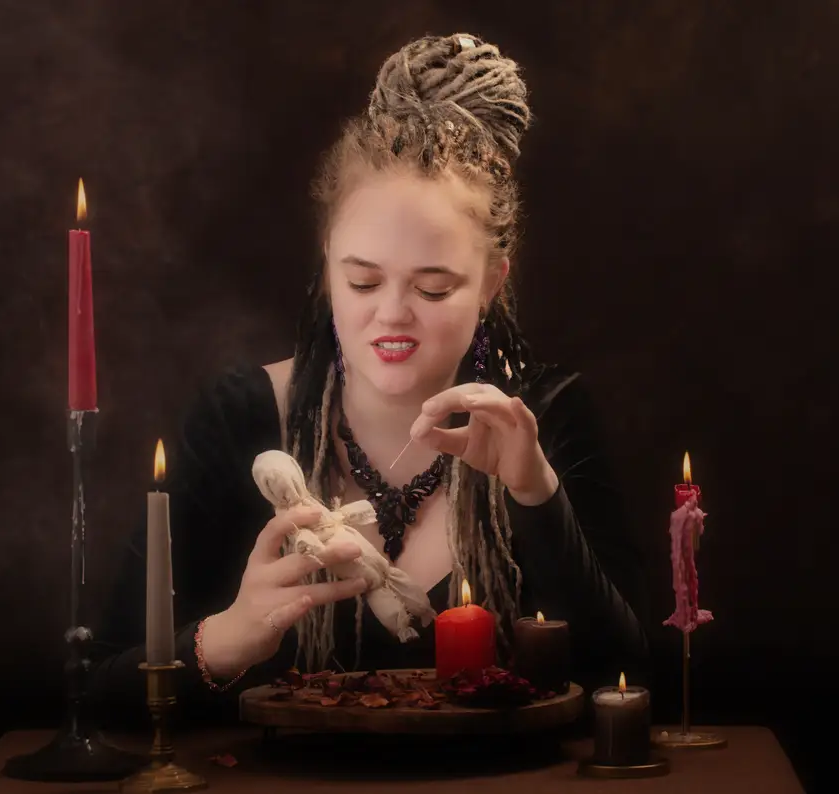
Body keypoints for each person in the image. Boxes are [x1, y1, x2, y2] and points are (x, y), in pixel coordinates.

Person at [92, 33, 649, 728]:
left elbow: (626, 677)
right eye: (362, 279)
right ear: (327, 268)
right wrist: (226, 639)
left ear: (492, 286)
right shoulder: (239, 417)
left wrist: (537, 494)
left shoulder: (545, 416)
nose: (391, 315)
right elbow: (98, 688)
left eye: (435, 287)